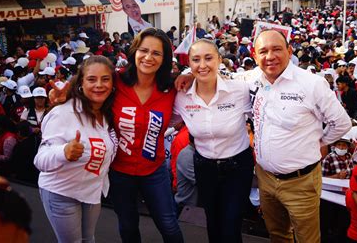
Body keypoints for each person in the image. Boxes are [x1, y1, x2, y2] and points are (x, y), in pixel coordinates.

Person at [249, 30, 352, 243]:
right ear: (254, 56)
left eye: (277, 49)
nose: (270, 56)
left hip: (300, 182)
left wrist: (322, 142)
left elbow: (342, 123)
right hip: (265, 178)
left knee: (307, 240)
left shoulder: (311, 84)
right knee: (277, 235)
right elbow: (216, 76)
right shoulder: (251, 79)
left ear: (289, 50)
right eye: (263, 51)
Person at [173, 39, 253, 242]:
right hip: (204, 167)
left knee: (231, 224)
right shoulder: (181, 96)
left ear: (219, 59)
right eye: (196, 60)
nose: (202, 65)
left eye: (208, 58)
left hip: (237, 166)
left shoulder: (240, 90)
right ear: (189, 64)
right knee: (213, 223)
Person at [108, 28, 183, 243]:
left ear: (164, 59)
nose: (148, 57)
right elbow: (87, 82)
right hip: (119, 172)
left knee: (169, 225)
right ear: (134, 52)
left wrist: (188, 75)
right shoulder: (116, 80)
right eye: (144, 50)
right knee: (128, 226)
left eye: (157, 53)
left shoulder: (172, 88)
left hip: (154, 171)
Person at [34, 56, 118, 243]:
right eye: (91, 79)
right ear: (80, 83)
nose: (99, 85)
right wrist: (63, 151)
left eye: (105, 79)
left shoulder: (106, 112)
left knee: (89, 239)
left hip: (91, 191)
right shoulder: (63, 113)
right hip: (61, 193)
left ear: (113, 84)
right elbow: (40, 159)